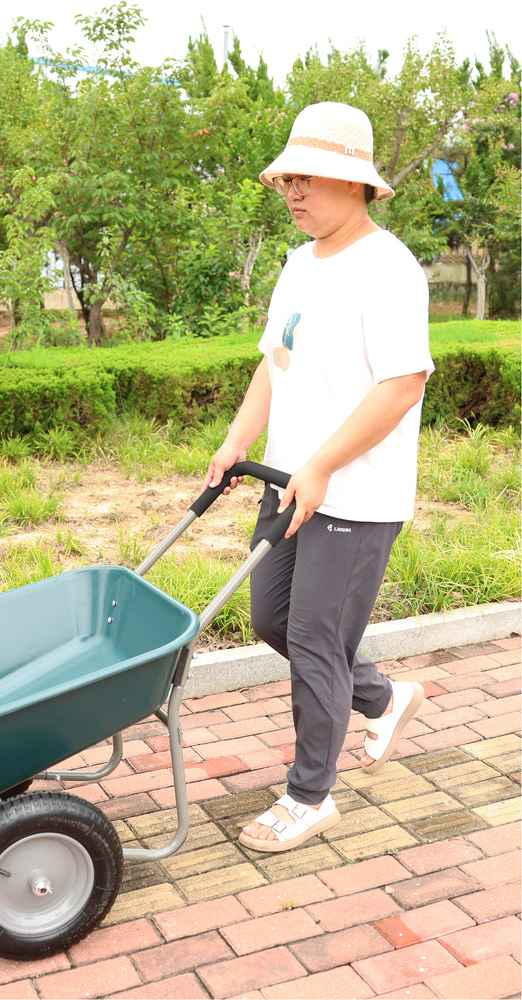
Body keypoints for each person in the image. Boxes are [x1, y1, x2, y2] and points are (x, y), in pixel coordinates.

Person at [206, 102, 433, 852]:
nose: (293, 193)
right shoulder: (299, 264)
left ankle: (310, 795)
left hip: (355, 491)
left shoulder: (388, 268)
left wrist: (326, 462)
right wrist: (239, 439)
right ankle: (382, 695)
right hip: (293, 480)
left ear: (355, 183)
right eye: (288, 181)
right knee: (273, 620)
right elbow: (278, 359)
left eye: (309, 179)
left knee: (312, 638)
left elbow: (403, 383)